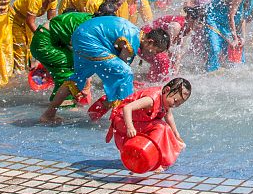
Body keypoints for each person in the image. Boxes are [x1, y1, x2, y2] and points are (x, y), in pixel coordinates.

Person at [41, 16, 169, 123]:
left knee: (76, 78)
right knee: (126, 74)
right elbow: (121, 71)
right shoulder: (132, 40)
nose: (154, 55)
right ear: (150, 41)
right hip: (90, 41)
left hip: (80, 36)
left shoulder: (134, 32)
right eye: (156, 51)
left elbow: (114, 69)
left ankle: (48, 114)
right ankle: (126, 120)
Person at [106, 78, 191, 172]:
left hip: (136, 122)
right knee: (160, 127)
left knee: (164, 127)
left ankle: (154, 157)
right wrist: (130, 127)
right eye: (175, 100)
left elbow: (168, 115)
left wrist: (176, 134)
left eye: (179, 104)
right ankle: (151, 157)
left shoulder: (165, 100)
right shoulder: (151, 100)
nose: (175, 105)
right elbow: (127, 108)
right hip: (123, 122)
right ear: (167, 90)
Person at [11, 0, 64, 74]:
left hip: (26, 21)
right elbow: (30, 21)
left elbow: (51, 19)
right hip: (14, 18)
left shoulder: (53, 0)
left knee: (30, 46)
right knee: (20, 47)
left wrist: (57, 36)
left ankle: (27, 70)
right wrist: (42, 36)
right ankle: (19, 73)